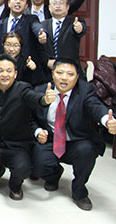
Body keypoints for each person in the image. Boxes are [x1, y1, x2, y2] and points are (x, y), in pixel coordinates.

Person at [32, 57, 116, 211]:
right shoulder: (41, 90)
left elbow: (95, 107)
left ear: (77, 77)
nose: (64, 78)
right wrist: (38, 132)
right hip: (50, 140)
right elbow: (31, 118)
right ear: (52, 74)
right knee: (37, 164)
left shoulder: (85, 90)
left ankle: (79, 190)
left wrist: (107, 120)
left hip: (76, 140)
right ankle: (54, 174)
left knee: (87, 150)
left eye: (70, 74)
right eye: (60, 73)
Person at [0, 54, 54, 201]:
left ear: (15, 74)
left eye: (9, 71)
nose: (5, 74)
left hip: (18, 145)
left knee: (23, 169)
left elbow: (35, 99)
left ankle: (15, 186)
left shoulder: (23, 89)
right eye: (0, 71)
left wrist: (45, 100)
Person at [38, 0, 87, 70]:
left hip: (70, 68)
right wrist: (46, 61)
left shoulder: (74, 22)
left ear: (67, 7)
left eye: (61, 3)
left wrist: (79, 28)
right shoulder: (42, 25)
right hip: (47, 70)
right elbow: (38, 49)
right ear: (49, 8)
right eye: (54, 3)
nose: (58, 6)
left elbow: (81, 30)